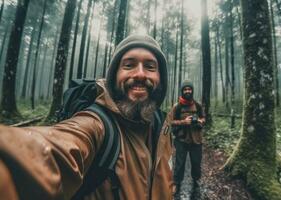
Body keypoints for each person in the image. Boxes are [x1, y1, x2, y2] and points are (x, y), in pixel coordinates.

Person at [0, 35, 173, 200]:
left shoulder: (161, 125)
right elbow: (56, 148)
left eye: (150, 67)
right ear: (113, 77)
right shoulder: (96, 124)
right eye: (129, 65)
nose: (140, 74)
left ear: (161, 79)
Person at [169, 80, 205, 198]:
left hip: (196, 140)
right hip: (181, 140)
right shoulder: (177, 106)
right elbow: (170, 122)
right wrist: (183, 122)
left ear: (192, 91)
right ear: (182, 91)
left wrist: (200, 121)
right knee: (179, 164)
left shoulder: (198, 105)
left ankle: (196, 182)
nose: (187, 91)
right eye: (185, 89)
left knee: (196, 163)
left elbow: (204, 118)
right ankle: (177, 183)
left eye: (189, 89)